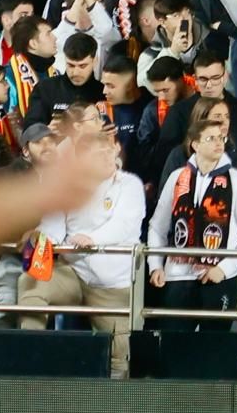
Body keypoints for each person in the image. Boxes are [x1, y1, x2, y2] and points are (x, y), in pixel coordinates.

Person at [17, 132, 144, 379]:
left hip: (112, 284)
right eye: (100, 154)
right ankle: (29, 359)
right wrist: (42, 239)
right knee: (31, 282)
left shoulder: (130, 184)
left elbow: (125, 225)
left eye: (110, 150)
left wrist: (93, 240)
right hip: (74, 272)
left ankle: (119, 403)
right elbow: (53, 225)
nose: (109, 156)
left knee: (120, 356)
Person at [145, 112, 237, 330]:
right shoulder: (177, 177)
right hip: (178, 275)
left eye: (221, 138)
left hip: (219, 276)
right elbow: (157, 227)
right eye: (211, 138)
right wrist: (155, 265)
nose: (219, 143)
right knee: (173, 342)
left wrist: (226, 268)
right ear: (195, 144)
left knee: (213, 346)